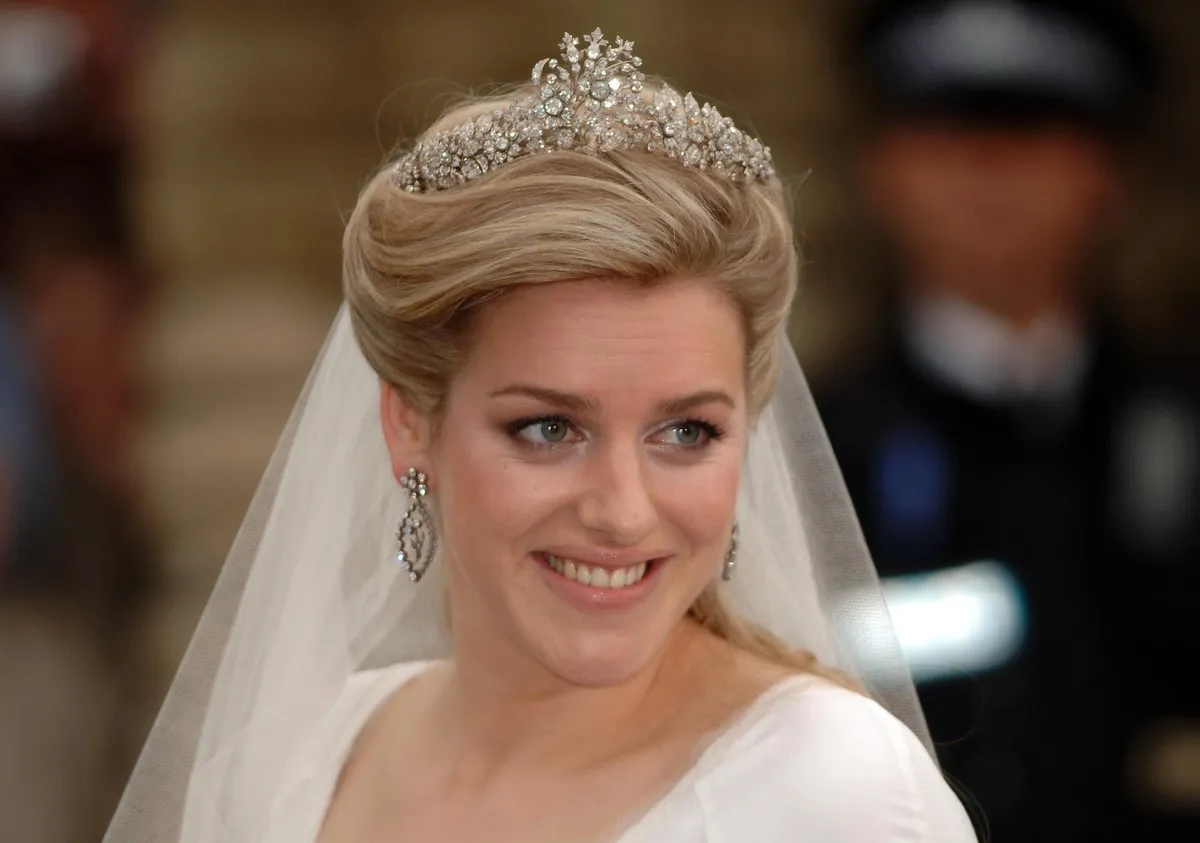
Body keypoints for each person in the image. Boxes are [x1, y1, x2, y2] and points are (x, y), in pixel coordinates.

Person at [104, 30, 976, 842]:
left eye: (686, 430)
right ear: (410, 422)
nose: (623, 511)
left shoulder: (840, 795)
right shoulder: (297, 768)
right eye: (549, 427)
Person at [817, 1, 1200, 840]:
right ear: (883, 171)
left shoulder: (1177, 433)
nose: (990, 174)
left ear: (1109, 175)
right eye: (950, 136)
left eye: (1032, 136)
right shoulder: (810, 454)